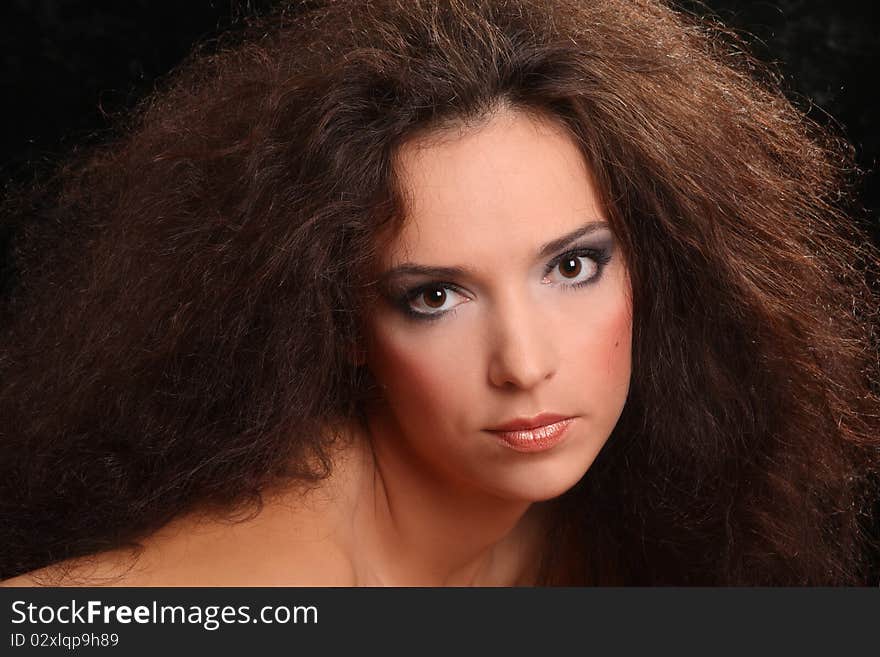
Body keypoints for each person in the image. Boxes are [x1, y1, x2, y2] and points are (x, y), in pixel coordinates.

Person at [1, 0, 878, 586]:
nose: (525, 364)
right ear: (339, 318)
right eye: (435, 298)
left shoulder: (636, 501)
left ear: (659, 265)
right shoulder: (275, 573)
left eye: (571, 267)